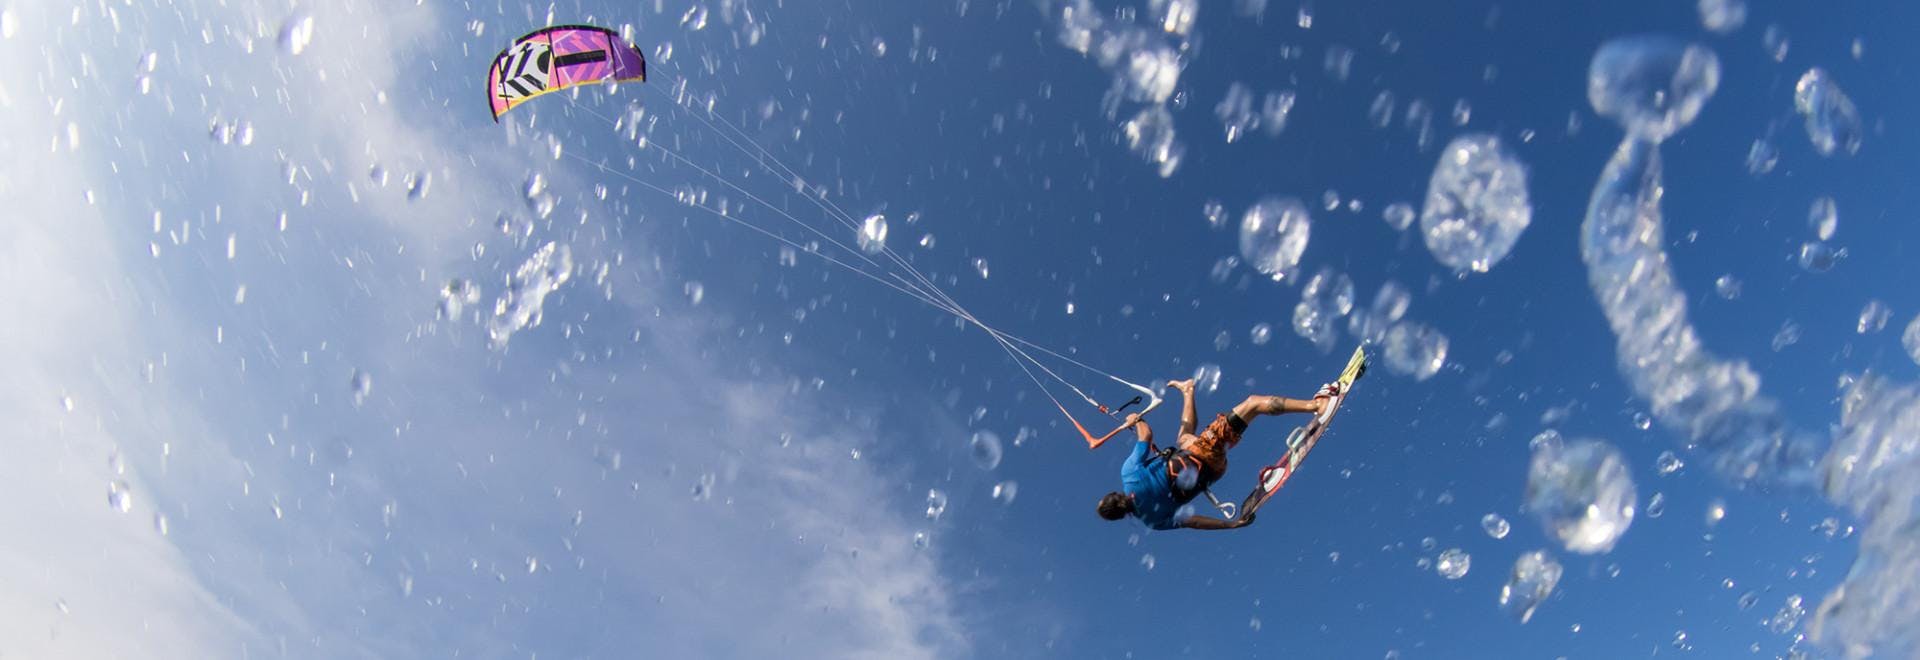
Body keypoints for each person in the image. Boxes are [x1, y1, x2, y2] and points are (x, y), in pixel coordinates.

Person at [1092, 377, 1335, 531]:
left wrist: (1231, 524)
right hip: (1202, 452)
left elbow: (1194, 521)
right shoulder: (1130, 475)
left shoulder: (1152, 522)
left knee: (1183, 438)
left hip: (1212, 471)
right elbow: (1146, 434)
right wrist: (1136, 420)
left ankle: (1188, 390)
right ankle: (1317, 405)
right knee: (1252, 404)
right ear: (1114, 494)